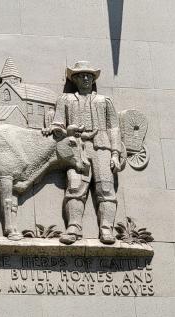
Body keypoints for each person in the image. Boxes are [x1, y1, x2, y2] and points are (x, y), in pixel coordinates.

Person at [49, 61, 124, 245]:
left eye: (88, 76)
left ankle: (106, 229)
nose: (85, 78)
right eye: (81, 75)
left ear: (93, 79)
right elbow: (57, 126)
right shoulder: (65, 100)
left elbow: (114, 128)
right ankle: (74, 227)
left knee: (105, 188)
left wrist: (115, 153)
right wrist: (67, 130)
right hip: (77, 147)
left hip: (102, 148)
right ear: (74, 79)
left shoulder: (104, 101)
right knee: (75, 188)